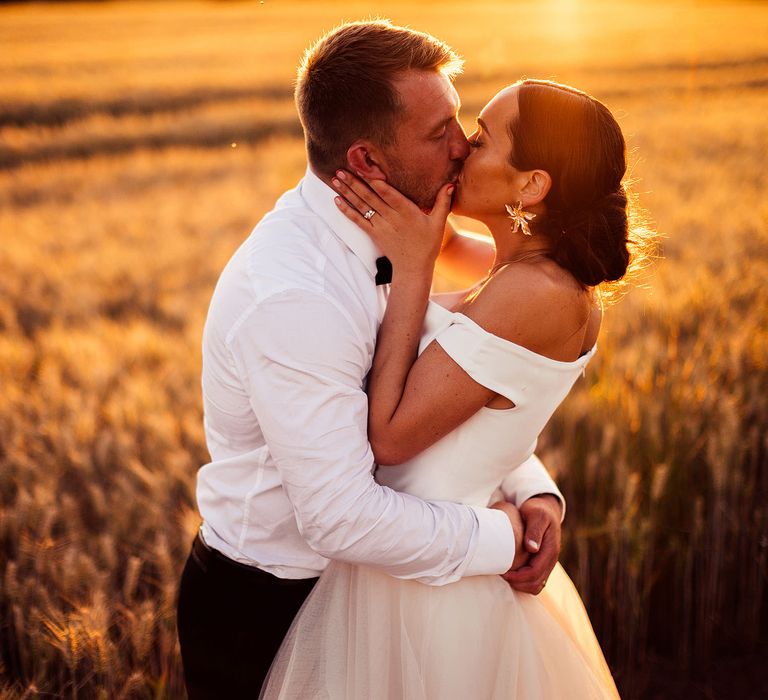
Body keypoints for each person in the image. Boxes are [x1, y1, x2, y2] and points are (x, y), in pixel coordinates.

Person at [176, 21, 568, 698]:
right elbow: (340, 516)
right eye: (438, 131)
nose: (464, 145)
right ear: (365, 161)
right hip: (277, 607)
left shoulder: (411, 233)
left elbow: (453, 378)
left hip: (390, 596)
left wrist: (528, 487)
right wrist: (501, 541)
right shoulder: (294, 295)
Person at [260, 77, 638, 698]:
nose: (462, 147)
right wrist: (536, 488)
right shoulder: (516, 268)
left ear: (532, 185)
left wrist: (410, 269)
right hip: (424, 557)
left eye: (484, 138)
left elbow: (391, 436)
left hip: (428, 592)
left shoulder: (536, 293)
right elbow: (488, 413)